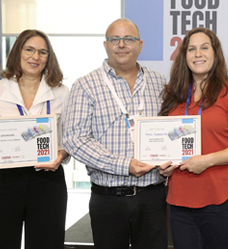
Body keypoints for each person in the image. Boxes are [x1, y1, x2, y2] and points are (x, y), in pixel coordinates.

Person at [62, 18, 169, 249]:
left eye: (128, 39)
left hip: (153, 196)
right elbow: (74, 138)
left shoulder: (159, 82)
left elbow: (169, 131)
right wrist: (124, 165)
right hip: (108, 198)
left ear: (140, 45)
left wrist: (170, 160)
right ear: (106, 45)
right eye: (115, 39)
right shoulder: (85, 85)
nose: (122, 44)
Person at [157, 27, 228, 249]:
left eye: (204, 48)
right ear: (184, 56)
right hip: (180, 198)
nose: (198, 54)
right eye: (191, 49)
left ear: (215, 53)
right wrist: (164, 165)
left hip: (222, 195)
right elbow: (168, 141)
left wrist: (207, 160)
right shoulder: (173, 94)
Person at [0, 29, 69, 249]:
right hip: (2, 181)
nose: (35, 57)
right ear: (18, 52)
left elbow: (67, 140)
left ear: (48, 58)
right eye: (29, 50)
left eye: (42, 52)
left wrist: (61, 155)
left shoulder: (62, 93)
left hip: (46, 180)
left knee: (47, 243)